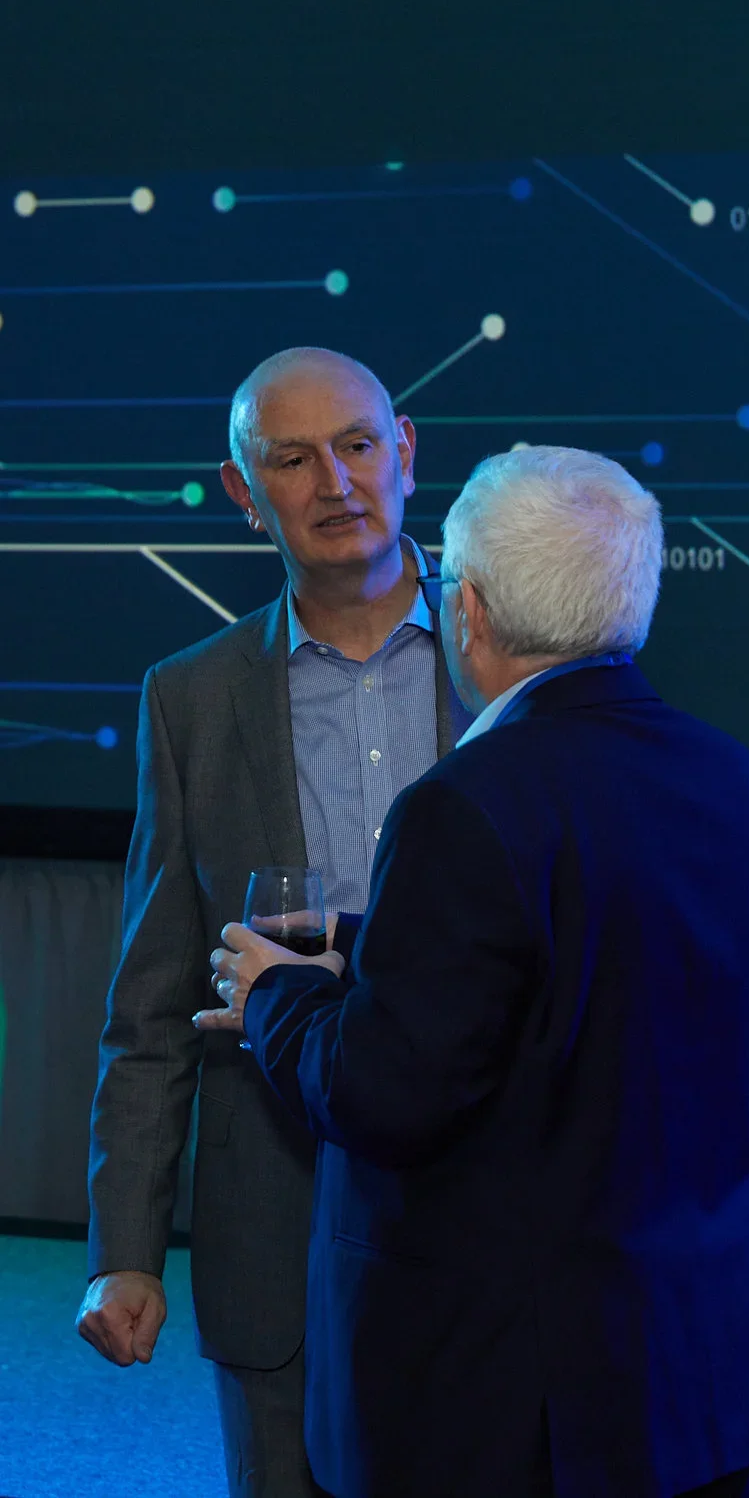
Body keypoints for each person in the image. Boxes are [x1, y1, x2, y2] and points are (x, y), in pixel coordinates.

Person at [201, 445, 749, 1498]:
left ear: (469, 609)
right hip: (697, 1370)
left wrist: (275, 993)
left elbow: (381, 1094)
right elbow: (606, 955)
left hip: (517, 1407)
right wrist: (372, 935)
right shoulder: (730, 777)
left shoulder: (461, 802)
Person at [76, 347, 470, 1498]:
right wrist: (127, 1253)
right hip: (275, 1221)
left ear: (404, 456)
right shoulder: (190, 698)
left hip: (487, 1202)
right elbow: (150, 1006)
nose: (334, 482)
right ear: (245, 494)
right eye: (290, 460)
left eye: (355, 445)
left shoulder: (513, 666)